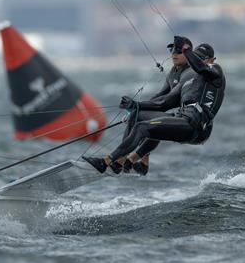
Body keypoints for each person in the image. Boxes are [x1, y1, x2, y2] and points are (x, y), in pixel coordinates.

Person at [83, 36, 225, 175]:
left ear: (211, 60)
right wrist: (136, 105)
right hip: (184, 119)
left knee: (142, 127)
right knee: (143, 118)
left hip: (198, 126)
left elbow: (202, 68)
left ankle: (105, 162)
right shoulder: (188, 79)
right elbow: (163, 103)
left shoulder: (215, 70)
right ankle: (123, 161)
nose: (199, 61)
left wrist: (187, 51)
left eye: (202, 58)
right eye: (196, 57)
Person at [117, 40, 192, 175]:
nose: (174, 54)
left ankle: (120, 159)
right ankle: (143, 163)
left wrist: (138, 108)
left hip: (185, 119)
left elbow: (168, 101)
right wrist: (139, 109)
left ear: (188, 53)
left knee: (153, 122)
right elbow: (161, 95)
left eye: (178, 51)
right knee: (146, 118)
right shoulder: (174, 71)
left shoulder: (190, 72)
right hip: (172, 112)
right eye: (172, 51)